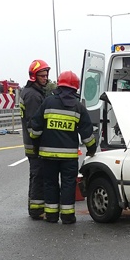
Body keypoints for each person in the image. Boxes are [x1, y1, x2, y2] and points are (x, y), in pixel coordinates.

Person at [28, 71, 96, 224]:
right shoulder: (79, 107)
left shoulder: (47, 103)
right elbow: (87, 135)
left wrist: (36, 145)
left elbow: (35, 128)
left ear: (59, 85)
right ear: (75, 88)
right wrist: (92, 150)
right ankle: (67, 216)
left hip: (48, 156)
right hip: (69, 157)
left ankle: (51, 216)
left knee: (50, 183)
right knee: (68, 184)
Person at [19, 59, 50, 219]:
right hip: (35, 144)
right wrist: (40, 146)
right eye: (42, 76)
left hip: (34, 143)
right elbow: (34, 124)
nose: (45, 78)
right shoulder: (32, 95)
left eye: (46, 75)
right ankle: (37, 210)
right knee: (38, 176)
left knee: (37, 175)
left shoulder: (33, 92)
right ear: (34, 77)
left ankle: (36, 207)